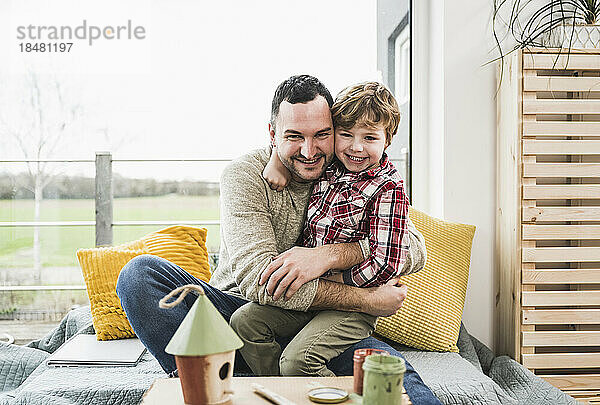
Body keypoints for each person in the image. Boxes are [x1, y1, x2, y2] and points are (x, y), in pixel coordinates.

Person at [116, 75, 441, 404]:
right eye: (294, 137)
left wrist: (327, 256)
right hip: (239, 315)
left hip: (321, 322)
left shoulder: (349, 168)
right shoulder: (246, 175)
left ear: (333, 130)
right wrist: (366, 301)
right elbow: (258, 281)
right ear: (272, 134)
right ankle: (209, 381)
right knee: (139, 275)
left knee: (396, 379)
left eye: (321, 136)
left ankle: (263, 378)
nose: (309, 150)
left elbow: (414, 249)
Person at [229, 82, 415, 377]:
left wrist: (338, 273)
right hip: (288, 297)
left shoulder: (386, 187)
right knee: (243, 322)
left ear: (387, 141)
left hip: (350, 305)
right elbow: (257, 280)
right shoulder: (334, 167)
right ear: (273, 134)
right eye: (346, 135)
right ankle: (281, 391)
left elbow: (403, 251)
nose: (355, 147)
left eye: (369, 138)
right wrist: (276, 160)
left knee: (298, 363)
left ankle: (310, 387)